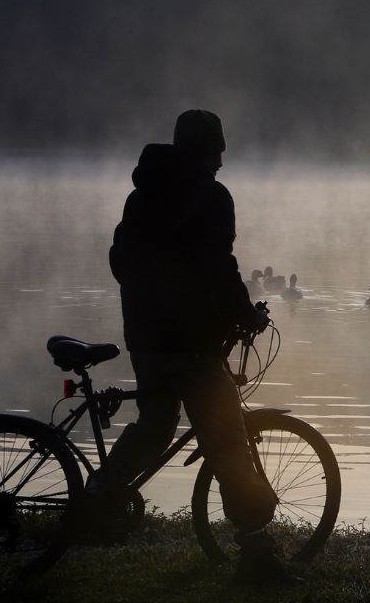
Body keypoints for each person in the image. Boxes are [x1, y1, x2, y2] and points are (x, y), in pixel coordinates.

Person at [89, 109, 294, 585]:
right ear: (208, 150)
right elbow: (219, 268)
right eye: (218, 150)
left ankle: (98, 498)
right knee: (227, 443)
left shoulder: (141, 196)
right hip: (194, 346)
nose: (222, 160)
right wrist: (243, 315)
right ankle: (258, 557)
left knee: (154, 426)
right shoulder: (211, 196)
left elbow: (121, 262)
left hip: (146, 340)